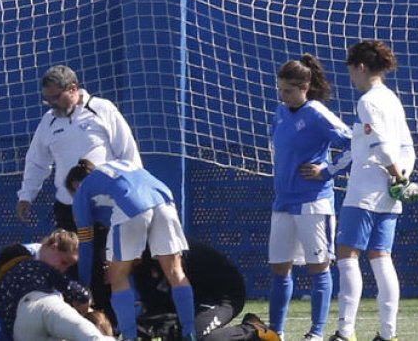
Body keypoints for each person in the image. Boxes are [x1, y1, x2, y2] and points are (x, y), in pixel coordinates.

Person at [15, 65, 140, 315]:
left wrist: (133, 195)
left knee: (106, 266)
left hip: (104, 210)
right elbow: (37, 161)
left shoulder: (103, 109)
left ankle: (110, 321)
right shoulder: (48, 121)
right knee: (69, 266)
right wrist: (26, 195)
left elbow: (128, 154)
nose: (51, 104)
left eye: (55, 97)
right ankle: (76, 320)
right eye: (47, 99)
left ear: (73, 89)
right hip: (68, 210)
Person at [327, 41, 416, 341]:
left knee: (347, 254)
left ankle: (345, 332)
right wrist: (402, 178)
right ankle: (388, 334)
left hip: (365, 190)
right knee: (381, 257)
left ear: (361, 67)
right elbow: (406, 147)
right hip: (389, 194)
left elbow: (382, 146)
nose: (351, 76)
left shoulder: (368, 101)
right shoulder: (392, 99)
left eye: (351, 70)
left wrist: (396, 176)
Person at [267, 56, 352, 341]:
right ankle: (276, 332)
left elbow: (352, 143)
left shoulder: (316, 112)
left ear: (305, 87)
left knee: (319, 267)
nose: (283, 96)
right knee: (280, 267)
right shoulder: (280, 112)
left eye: (289, 90)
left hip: (313, 202)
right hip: (283, 202)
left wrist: (326, 171)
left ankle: (316, 333)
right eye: (280, 90)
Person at [66, 159, 196, 341]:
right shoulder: (116, 168)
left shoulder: (81, 193)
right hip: (164, 199)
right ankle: (190, 333)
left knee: (117, 277)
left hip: (130, 206)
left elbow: (86, 244)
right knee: (175, 272)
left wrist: (83, 284)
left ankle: (129, 337)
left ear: (74, 186)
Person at [133, 242, 279, 341]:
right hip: (196, 297)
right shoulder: (138, 263)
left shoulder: (165, 251)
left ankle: (254, 330)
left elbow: (176, 292)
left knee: (194, 336)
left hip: (223, 295)